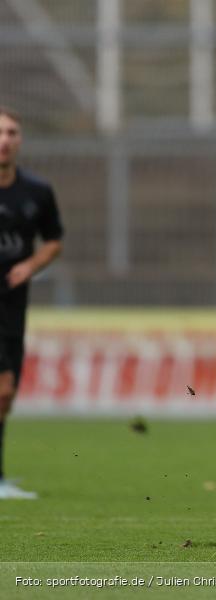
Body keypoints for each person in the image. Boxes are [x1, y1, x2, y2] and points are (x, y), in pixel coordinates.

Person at [0, 107, 64, 500]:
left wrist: (30, 265)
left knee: (6, 392)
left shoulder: (36, 192)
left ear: (20, 140)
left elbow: (53, 240)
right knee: (2, 389)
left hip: (11, 302)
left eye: (12, 132)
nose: (4, 140)